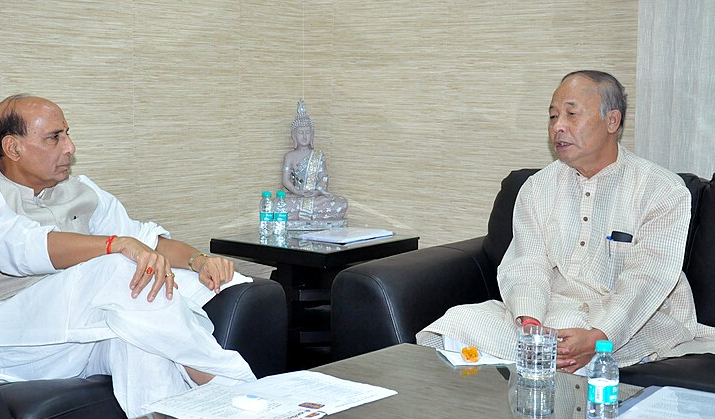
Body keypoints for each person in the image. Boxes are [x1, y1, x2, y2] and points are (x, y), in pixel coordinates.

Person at [0, 94, 256, 417]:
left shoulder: (78, 189)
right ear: (13, 148)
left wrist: (199, 261)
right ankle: (236, 392)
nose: (70, 147)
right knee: (121, 268)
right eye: (55, 137)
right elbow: (18, 246)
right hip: (0, 337)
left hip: (73, 339)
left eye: (67, 133)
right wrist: (114, 244)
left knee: (143, 337)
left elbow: (144, 238)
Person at [417, 70, 715, 374]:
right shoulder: (537, 187)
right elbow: (527, 263)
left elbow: (647, 279)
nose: (558, 127)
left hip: (640, 316)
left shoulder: (661, 190)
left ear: (612, 121)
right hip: (554, 310)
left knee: (566, 352)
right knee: (457, 324)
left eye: (572, 115)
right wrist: (529, 321)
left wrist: (601, 337)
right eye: (553, 116)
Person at [281, 100, 347, 222]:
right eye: (301, 132)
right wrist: (298, 192)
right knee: (278, 205)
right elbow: (286, 180)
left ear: (312, 135)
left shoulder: (318, 155)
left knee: (341, 203)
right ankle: (312, 215)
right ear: (294, 135)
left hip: (316, 197)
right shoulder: (289, 156)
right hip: (296, 196)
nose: (305, 136)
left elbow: (324, 177)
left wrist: (317, 191)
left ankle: (299, 215)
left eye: (307, 132)